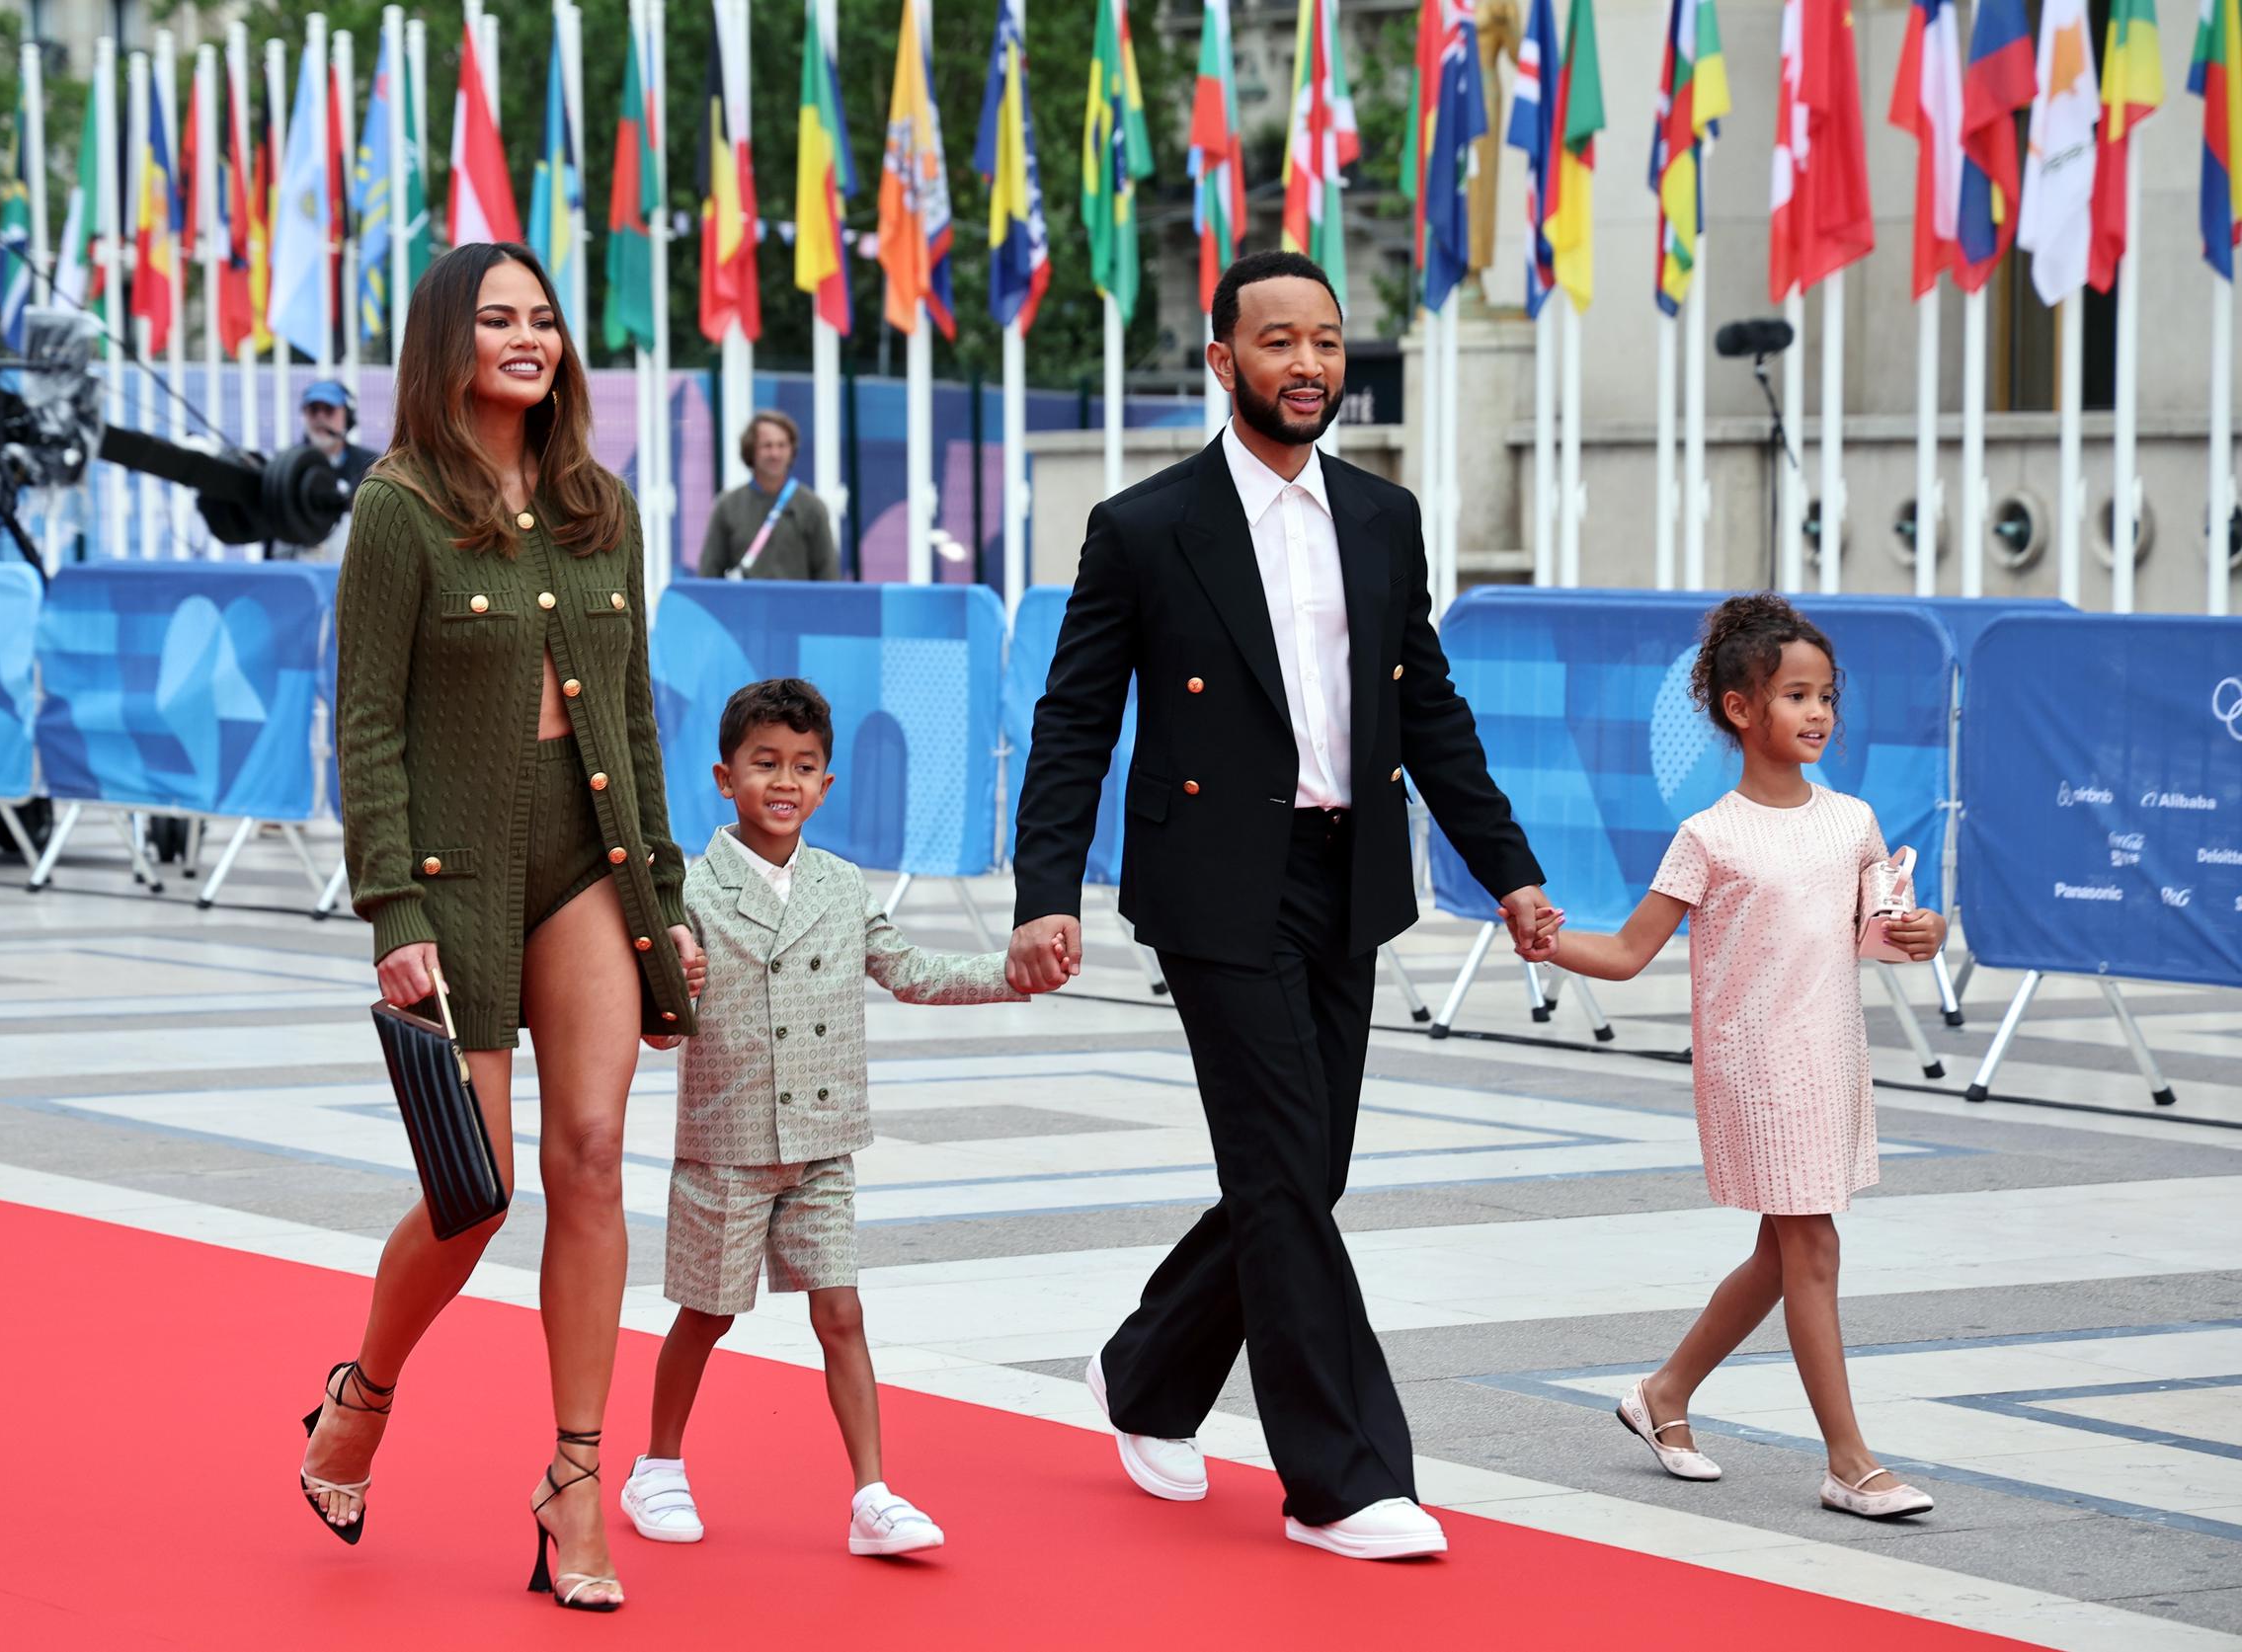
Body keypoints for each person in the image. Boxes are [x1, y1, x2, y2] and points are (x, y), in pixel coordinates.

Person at [1005, 250, 1557, 1560]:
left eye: (1325, 341)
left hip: (1348, 877)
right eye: (1277, 342)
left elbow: (1430, 709)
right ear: (1221, 360)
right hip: (1211, 883)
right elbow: (1074, 719)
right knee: (1280, 1169)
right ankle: (1342, 1479)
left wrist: (1512, 869)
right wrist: (1044, 891)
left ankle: (1146, 1373)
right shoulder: (1147, 526)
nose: (1307, 365)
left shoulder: (1381, 516)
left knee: (1308, 1171)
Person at [303, 242, 707, 1613]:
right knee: (473, 1188)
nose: (528, 337)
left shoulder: (603, 506)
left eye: (543, 318)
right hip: (449, 874)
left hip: (584, 865)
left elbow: (635, 714)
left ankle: (574, 1479)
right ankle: (364, 1388)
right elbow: (364, 721)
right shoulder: (399, 506)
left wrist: (664, 893)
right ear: (448, 340)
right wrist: (389, 909)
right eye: (498, 318)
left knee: (590, 1157)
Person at [1528, 593, 1948, 1521]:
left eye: (1827, 695)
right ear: (1739, 708)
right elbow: (1631, 953)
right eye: (1797, 694)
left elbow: (1882, 933)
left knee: (1780, 1250)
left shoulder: (1855, 822)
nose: (1819, 713)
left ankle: (1663, 1394)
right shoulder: (1709, 836)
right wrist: (1546, 939)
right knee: (1814, 1243)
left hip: (1832, 1057)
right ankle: (1850, 1462)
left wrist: (1927, 927)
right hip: (1756, 1067)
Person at [621, 677, 1057, 1557]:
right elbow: (659, 1036)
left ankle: (872, 1493)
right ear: (723, 775)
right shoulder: (689, 894)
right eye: (765, 763)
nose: (784, 781)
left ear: (827, 785)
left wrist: (1012, 973)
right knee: (707, 1314)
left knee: (843, 1313)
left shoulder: (842, 885)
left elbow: (911, 970)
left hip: (823, 1143)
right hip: (728, 1145)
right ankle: (655, 1466)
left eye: (805, 766)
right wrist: (672, 996)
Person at [696, 412, 841, 582]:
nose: (775, 454)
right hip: (745, 605)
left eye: (782, 445)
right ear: (751, 450)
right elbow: (709, 571)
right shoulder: (727, 506)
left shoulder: (812, 507)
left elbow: (827, 573)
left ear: (791, 450)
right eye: (767, 446)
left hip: (796, 606)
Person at [275, 379, 380, 562]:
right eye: (314, 410)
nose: (320, 417)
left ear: (347, 417)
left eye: (329, 410)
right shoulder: (283, 465)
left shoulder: (371, 465)